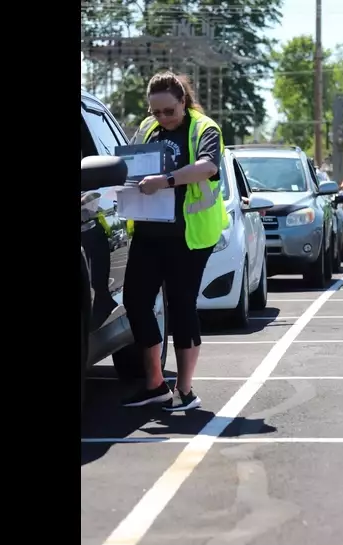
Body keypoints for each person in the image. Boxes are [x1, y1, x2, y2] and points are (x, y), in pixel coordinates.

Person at [119, 71, 228, 411]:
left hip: (189, 234)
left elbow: (208, 167)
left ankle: (185, 391)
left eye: (169, 111)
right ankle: (154, 385)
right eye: (156, 112)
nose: (162, 118)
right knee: (135, 301)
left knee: (181, 305)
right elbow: (131, 167)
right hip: (151, 231)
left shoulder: (203, 128)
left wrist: (165, 180)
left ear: (183, 101)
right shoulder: (148, 127)